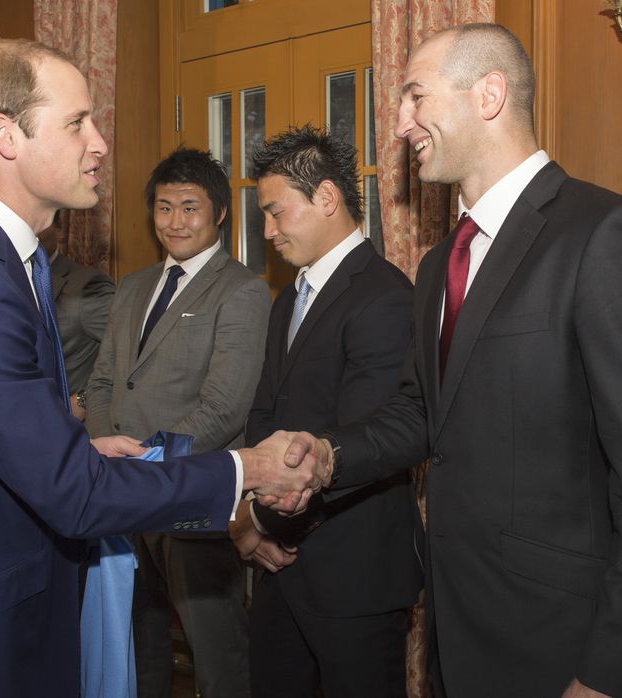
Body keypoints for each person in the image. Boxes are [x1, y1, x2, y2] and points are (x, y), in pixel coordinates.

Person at [0, 38, 322, 698]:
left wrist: (77, 446)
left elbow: (1, 442)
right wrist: (246, 467)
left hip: (12, 608)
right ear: (3, 135)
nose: (100, 143)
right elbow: (71, 494)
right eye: (77, 122)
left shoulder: (8, 263)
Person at [285, 23, 622, 698]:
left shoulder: (608, 237)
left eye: (416, 98)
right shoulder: (435, 267)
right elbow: (426, 413)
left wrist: (610, 672)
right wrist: (330, 454)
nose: (400, 124)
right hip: (458, 630)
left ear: (489, 94)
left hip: (566, 647)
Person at [229, 125, 422, 698]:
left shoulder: (385, 295)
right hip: (279, 568)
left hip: (354, 576)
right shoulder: (288, 296)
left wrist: (256, 523)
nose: (267, 231)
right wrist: (251, 520)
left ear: (328, 198)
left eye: (276, 212)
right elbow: (262, 414)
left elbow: (365, 440)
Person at [85, 146, 270, 698]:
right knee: (139, 643)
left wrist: (150, 464)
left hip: (192, 498)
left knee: (216, 651)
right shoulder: (133, 287)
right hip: (122, 495)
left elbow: (224, 408)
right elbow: (102, 384)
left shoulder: (242, 290)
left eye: (190, 207)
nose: (175, 221)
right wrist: (104, 451)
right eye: (164, 208)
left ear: (218, 213)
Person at [38, 214, 115, 420]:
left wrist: (83, 400)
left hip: (64, 430)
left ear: (58, 228)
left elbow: (134, 355)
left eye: (40, 220)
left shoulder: (86, 286)